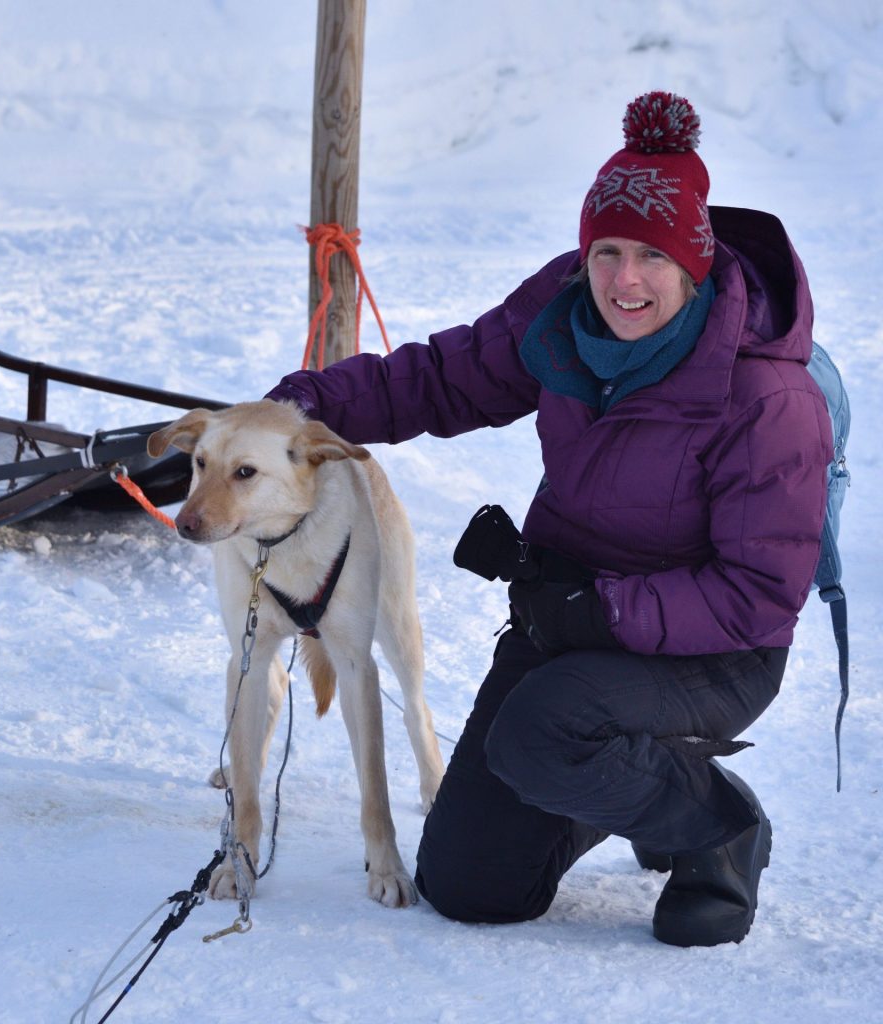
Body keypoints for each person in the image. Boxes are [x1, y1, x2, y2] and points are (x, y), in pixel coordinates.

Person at [266, 91, 831, 946]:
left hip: (715, 655)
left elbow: (757, 594)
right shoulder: (562, 316)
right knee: (470, 883)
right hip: (570, 622)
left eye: (652, 255)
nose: (624, 280)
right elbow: (441, 379)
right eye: (607, 252)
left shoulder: (764, 396)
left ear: (695, 265)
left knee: (543, 731)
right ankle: (635, 784)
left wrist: (602, 609)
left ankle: (717, 823)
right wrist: (296, 412)